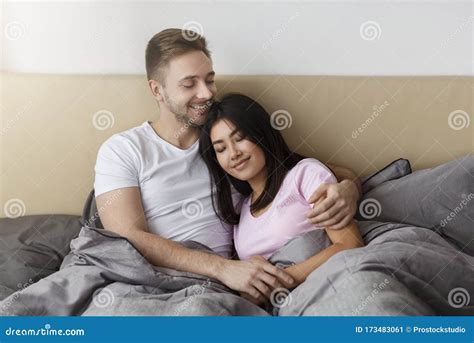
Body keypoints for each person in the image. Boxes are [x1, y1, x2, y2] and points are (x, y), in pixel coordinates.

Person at [94, 28, 362, 303]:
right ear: (157, 90)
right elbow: (124, 235)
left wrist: (349, 188)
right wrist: (224, 269)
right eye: (189, 84)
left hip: (214, 291)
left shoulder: (223, 138)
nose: (206, 93)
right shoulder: (124, 149)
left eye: (209, 80)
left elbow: (294, 167)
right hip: (156, 278)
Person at [199, 93, 364, 304]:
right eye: (221, 149)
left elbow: (350, 244)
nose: (233, 154)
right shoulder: (241, 211)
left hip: (324, 287)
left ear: (261, 134)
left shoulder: (304, 175)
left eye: (240, 138)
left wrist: (283, 279)